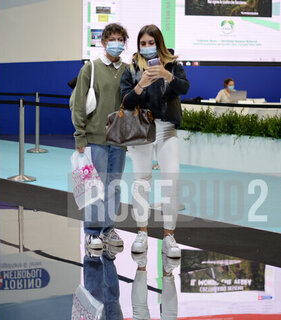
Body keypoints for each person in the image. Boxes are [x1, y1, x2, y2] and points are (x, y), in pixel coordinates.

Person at [120, 24, 190, 320]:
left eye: (151, 42)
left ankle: (170, 236)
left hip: (168, 130)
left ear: (159, 43)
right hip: (142, 130)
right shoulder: (131, 68)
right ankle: (141, 234)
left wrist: (166, 74)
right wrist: (139, 86)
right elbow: (125, 101)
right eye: (143, 42)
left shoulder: (173, 62)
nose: (146, 46)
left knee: (171, 183)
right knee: (141, 182)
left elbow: (184, 89)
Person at [71, 22, 129, 320]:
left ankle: (107, 229)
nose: (116, 43)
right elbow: (78, 103)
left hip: (119, 139)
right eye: (112, 39)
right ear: (104, 41)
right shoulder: (91, 68)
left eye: (121, 39)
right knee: (95, 189)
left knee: (114, 187)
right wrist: (80, 136)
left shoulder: (129, 70)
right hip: (94, 138)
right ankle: (93, 232)